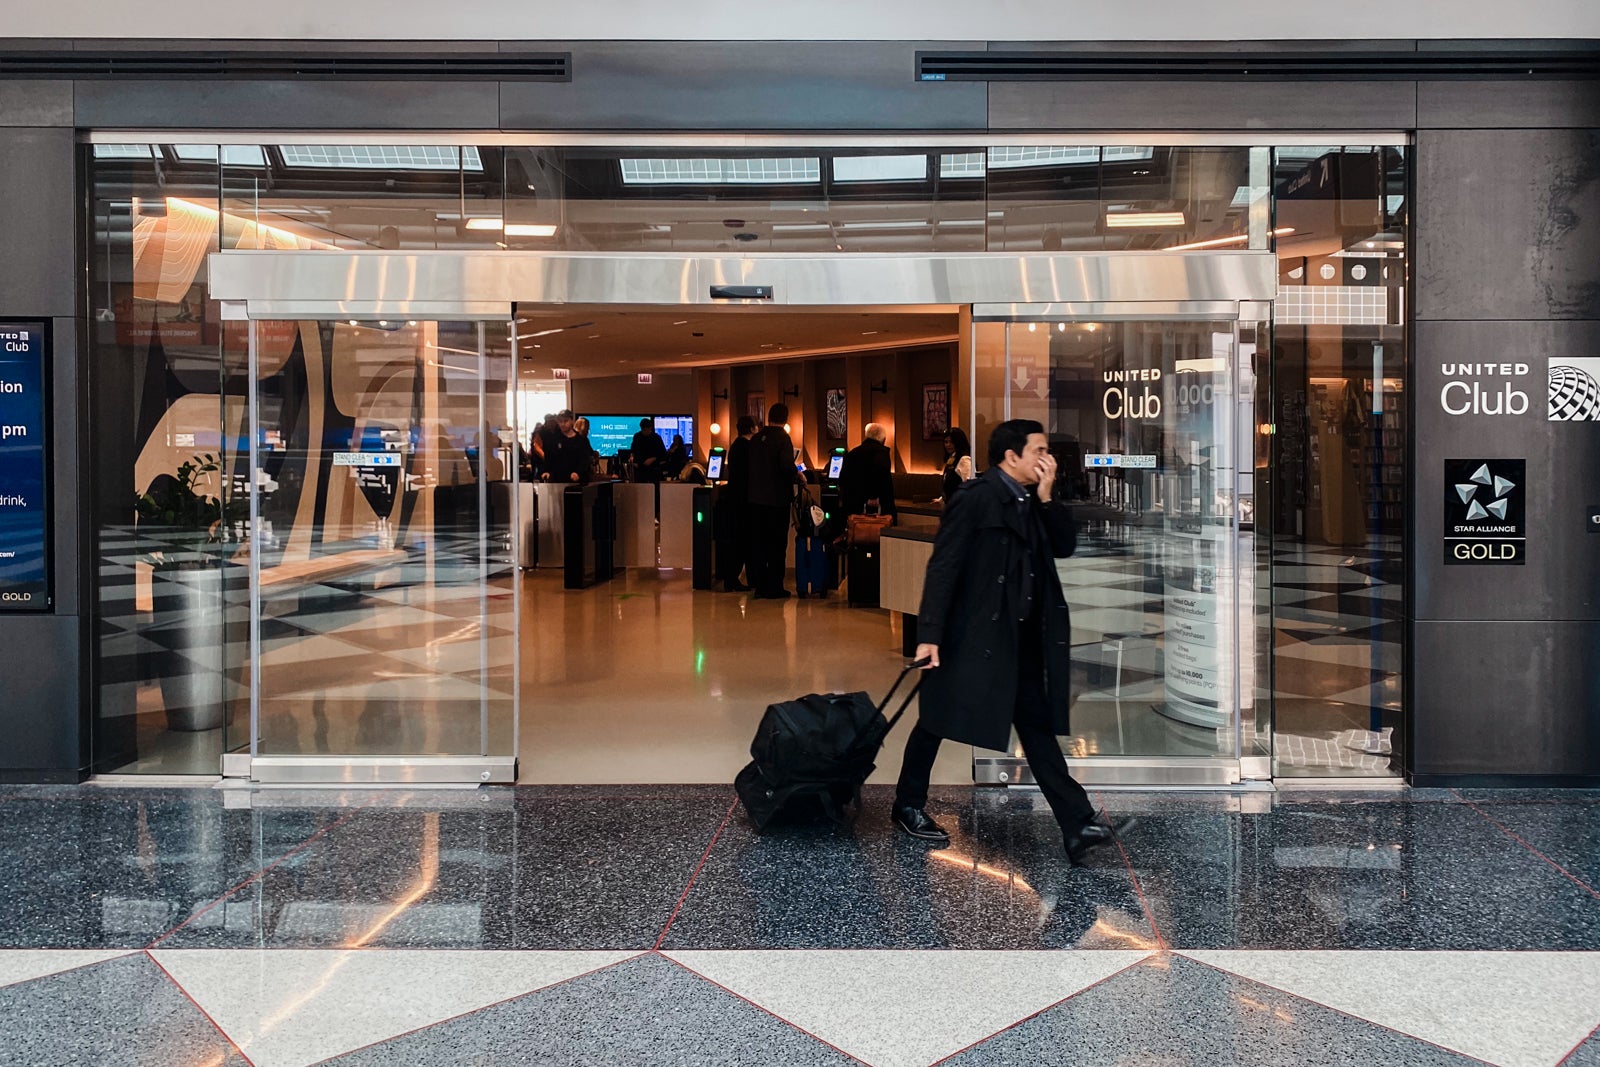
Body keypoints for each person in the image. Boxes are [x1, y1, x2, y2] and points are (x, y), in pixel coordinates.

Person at [892, 418, 1124, 866]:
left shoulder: (1031, 499)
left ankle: (1076, 825)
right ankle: (907, 803)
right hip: (973, 636)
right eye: (1038, 450)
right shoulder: (976, 499)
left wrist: (1048, 497)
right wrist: (930, 637)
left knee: (1035, 728)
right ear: (1011, 457)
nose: (1046, 458)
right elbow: (943, 567)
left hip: (1019, 641)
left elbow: (1064, 546)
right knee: (937, 718)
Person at [745, 403, 803, 600]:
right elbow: (786, 466)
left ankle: (760, 586)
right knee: (777, 545)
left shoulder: (755, 440)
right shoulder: (782, 439)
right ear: (786, 419)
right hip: (777, 500)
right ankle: (775, 586)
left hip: (755, 500)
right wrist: (798, 475)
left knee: (759, 544)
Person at [715, 415, 758, 592]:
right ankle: (733, 579)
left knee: (737, 540)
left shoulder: (735, 446)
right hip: (743, 501)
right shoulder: (746, 447)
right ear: (752, 429)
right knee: (741, 541)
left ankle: (732, 578)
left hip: (735, 499)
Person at [839, 422, 898, 521]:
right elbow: (882, 479)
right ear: (883, 439)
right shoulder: (881, 454)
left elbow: (843, 479)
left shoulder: (852, 453)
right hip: (875, 508)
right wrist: (873, 496)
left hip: (852, 506)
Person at [540, 409, 593, 485]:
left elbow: (585, 460)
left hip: (577, 481)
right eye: (560, 421)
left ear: (571, 421)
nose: (562, 424)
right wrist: (546, 471)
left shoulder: (582, 440)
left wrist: (578, 472)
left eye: (565, 421)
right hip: (557, 481)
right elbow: (548, 457)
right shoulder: (553, 439)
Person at [940, 427, 973, 503]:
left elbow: (969, 485)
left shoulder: (964, 459)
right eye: (946, 442)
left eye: (951, 442)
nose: (948, 445)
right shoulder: (952, 458)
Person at [630, 418, 668, 482]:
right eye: (644, 430)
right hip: (640, 469)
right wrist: (633, 460)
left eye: (648, 429)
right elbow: (633, 451)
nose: (646, 432)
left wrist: (653, 458)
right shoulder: (637, 437)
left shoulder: (656, 438)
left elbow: (663, 454)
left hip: (653, 469)